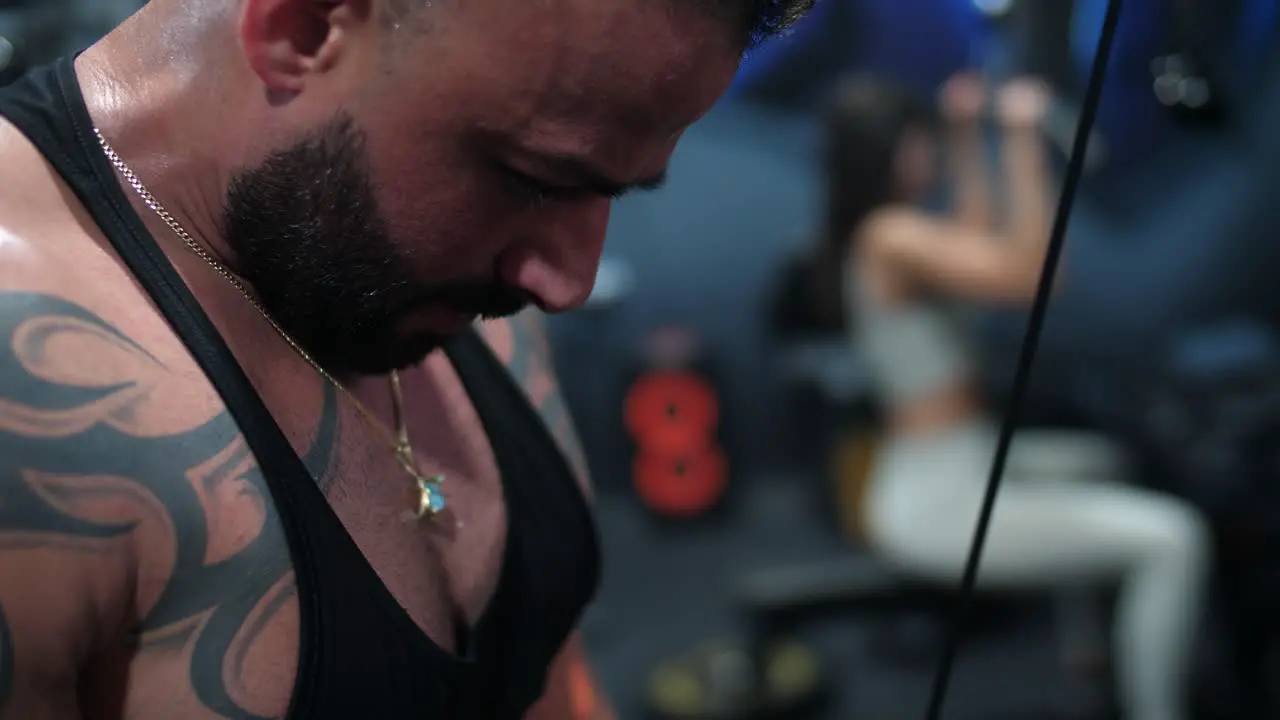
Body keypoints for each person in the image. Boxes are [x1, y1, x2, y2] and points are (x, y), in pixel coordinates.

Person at [0, 0, 816, 717]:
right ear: (305, 26)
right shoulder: (26, 385)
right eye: (534, 179)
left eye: (617, 190)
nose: (568, 282)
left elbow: (550, 683)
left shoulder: (426, 270)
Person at [819, 72, 1212, 720]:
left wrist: (971, 138)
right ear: (893, 152)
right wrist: (1023, 141)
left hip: (962, 458)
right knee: (1176, 539)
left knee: (1101, 462)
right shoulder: (888, 236)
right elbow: (1035, 275)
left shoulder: (893, 235)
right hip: (939, 498)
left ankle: (1088, 665)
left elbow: (975, 237)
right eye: (924, 143)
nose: (932, 155)